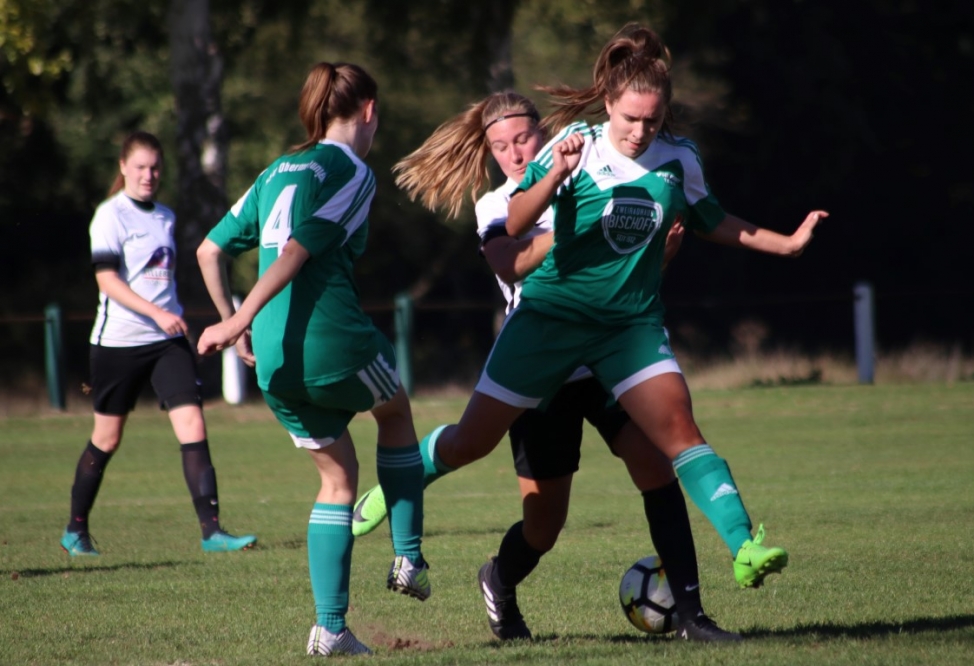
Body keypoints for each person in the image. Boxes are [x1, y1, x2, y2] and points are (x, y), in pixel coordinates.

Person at [354, 91, 740, 642]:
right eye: (500, 147)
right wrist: (576, 228)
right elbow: (512, 267)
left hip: (608, 361)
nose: (515, 154)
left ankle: (694, 618)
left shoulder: (598, 171)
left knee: (657, 470)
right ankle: (491, 570)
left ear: (547, 135)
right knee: (543, 523)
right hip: (542, 375)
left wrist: (657, 254)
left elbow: (624, 274)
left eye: (523, 140)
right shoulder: (498, 205)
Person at [195, 61, 429, 658]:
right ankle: (408, 558)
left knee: (337, 478)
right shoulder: (353, 171)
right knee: (396, 413)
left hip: (274, 361)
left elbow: (208, 250)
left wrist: (239, 325)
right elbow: (298, 251)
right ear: (369, 111)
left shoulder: (275, 170)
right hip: (332, 339)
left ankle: (330, 630)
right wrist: (236, 322)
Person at [61, 131, 257, 559]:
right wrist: (156, 313)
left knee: (194, 427)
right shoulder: (110, 215)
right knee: (107, 438)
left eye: (155, 168)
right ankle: (75, 529)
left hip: (167, 343)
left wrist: (172, 318)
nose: (148, 175)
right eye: (140, 167)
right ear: (123, 167)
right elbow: (107, 281)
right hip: (118, 342)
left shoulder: (166, 217)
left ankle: (212, 532)